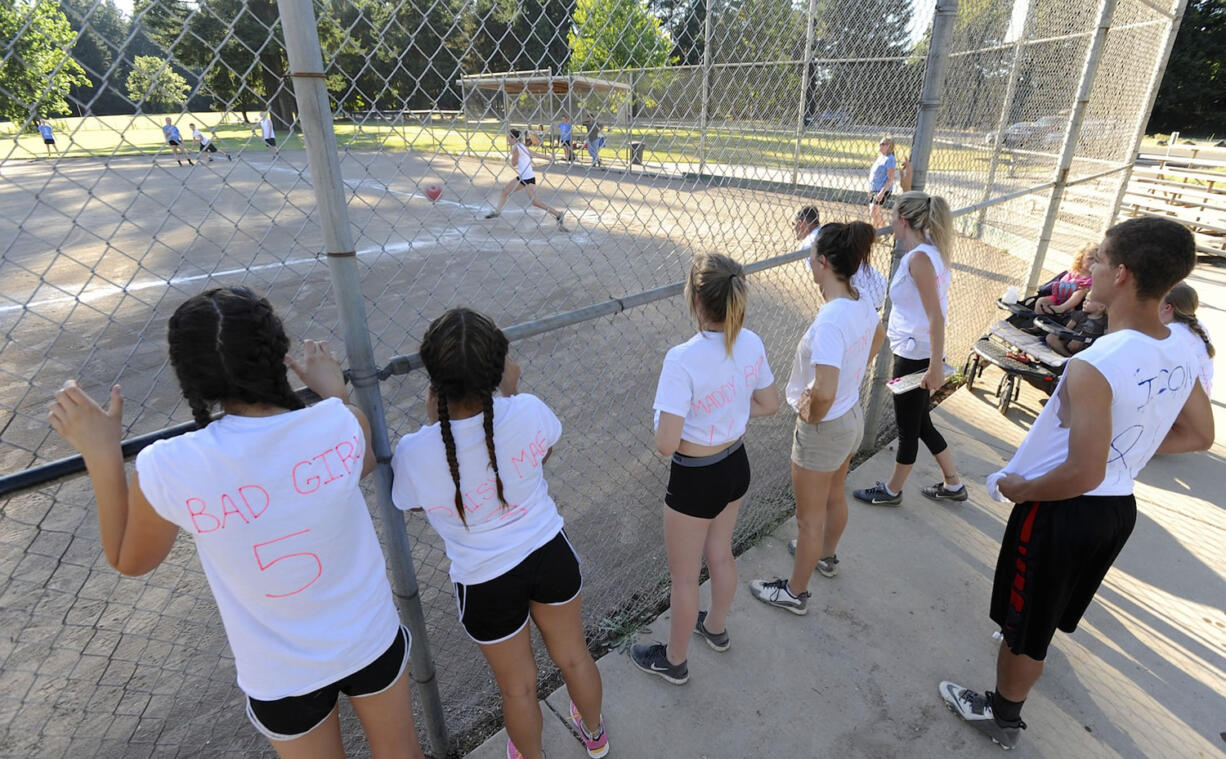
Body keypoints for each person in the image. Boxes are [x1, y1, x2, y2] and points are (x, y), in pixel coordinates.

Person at [47, 287, 424, 759]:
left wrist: (102, 454)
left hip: (280, 672)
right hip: (369, 639)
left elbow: (130, 560)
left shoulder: (172, 464)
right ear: (276, 356)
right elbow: (362, 462)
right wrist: (336, 393)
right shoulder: (341, 421)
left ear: (194, 380)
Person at [940, 217, 1213, 751]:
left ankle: (1001, 715)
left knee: (1025, 627)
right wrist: (1129, 445)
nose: (1091, 269)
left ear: (1125, 274)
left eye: (1102, 260)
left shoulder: (1098, 362)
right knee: (1041, 614)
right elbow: (1199, 434)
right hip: (1116, 509)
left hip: (1064, 506)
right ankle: (1015, 682)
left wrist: (1020, 487)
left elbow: (1083, 472)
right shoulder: (1185, 343)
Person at [390, 309, 608, 759]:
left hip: (485, 581)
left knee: (519, 689)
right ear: (499, 368)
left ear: (434, 383)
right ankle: (595, 736)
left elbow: (411, 501)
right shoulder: (527, 411)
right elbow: (540, 453)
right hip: (549, 554)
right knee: (574, 657)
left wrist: (436, 424)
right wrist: (509, 393)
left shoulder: (417, 452)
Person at [632, 253, 780, 684]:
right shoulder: (749, 341)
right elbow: (769, 404)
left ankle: (674, 661)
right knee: (720, 551)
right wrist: (727, 417)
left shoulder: (682, 359)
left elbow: (665, 443)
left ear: (696, 298)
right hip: (735, 464)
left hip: (696, 478)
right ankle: (714, 627)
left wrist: (689, 424)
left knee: (683, 579)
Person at [750, 223, 884, 613]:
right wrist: (851, 375)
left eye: (811, 258)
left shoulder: (830, 320)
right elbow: (878, 337)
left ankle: (795, 592)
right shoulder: (860, 300)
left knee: (807, 520)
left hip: (826, 426)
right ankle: (826, 556)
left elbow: (823, 389)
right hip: (850, 416)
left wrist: (809, 413)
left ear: (824, 263)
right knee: (833, 496)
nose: (809, 264)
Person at [853, 191, 966, 506]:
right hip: (917, 351)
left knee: (908, 427)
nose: (890, 223)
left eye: (893, 217)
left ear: (903, 220)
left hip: (916, 356)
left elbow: (936, 316)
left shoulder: (919, 259)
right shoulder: (927, 252)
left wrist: (934, 367)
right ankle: (953, 483)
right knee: (920, 422)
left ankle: (892, 491)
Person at [794, 206, 888, 310]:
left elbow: (823, 282)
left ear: (801, 224)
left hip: (859, 297)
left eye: (794, 225)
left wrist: (832, 308)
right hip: (880, 287)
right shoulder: (831, 231)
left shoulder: (809, 243)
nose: (794, 229)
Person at [484, 129, 565, 229]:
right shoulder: (521, 146)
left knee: (535, 202)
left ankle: (558, 214)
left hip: (528, 179)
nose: (507, 139)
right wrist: (548, 157)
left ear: (513, 138)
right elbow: (534, 154)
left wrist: (513, 155)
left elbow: (514, 164)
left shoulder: (517, 148)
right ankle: (497, 212)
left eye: (509, 137)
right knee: (505, 191)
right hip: (522, 177)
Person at [1161, 281, 1215, 395]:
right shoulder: (1199, 325)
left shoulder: (1173, 333)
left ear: (1167, 308)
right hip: (1202, 398)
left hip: (1188, 402)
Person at [1034, 242, 1094, 315]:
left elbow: (1093, 291)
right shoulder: (1073, 273)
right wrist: (1071, 284)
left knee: (1079, 293)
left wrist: (1085, 289)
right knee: (1041, 301)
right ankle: (1035, 324)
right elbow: (1061, 285)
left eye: (1097, 260)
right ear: (1080, 259)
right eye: (1090, 259)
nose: (1094, 262)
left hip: (1076, 304)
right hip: (1060, 298)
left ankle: (1060, 309)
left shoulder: (1094, 277)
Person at [868, 137, 898, 229]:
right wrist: (870, 188)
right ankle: (876, 234)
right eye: (880, 143)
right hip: (874, 188)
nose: (880, 145)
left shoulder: (890, 159)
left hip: (883, 189)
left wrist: (882, 192)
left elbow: (891, 178)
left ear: (889, 146)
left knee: (873, 212)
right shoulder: (881, 157)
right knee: (874, 213)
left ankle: (885, 230)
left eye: (883, 144)